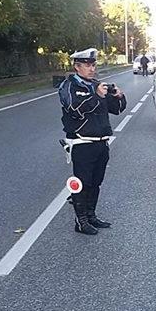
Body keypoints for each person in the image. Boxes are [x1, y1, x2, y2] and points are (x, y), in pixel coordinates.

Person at [58, 48, 127, 235]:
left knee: (96, 182)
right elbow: (74, 109)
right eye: (87, 65)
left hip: (101, 142)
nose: (91, 68)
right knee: (83, 182)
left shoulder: (97, 85)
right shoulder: (69, 86)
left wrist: (118, 96)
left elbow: (116, 110)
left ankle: (91, 216)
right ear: (77, 67)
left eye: (93, 65)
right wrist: (95, 95)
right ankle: (80, 221)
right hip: (82, 143)